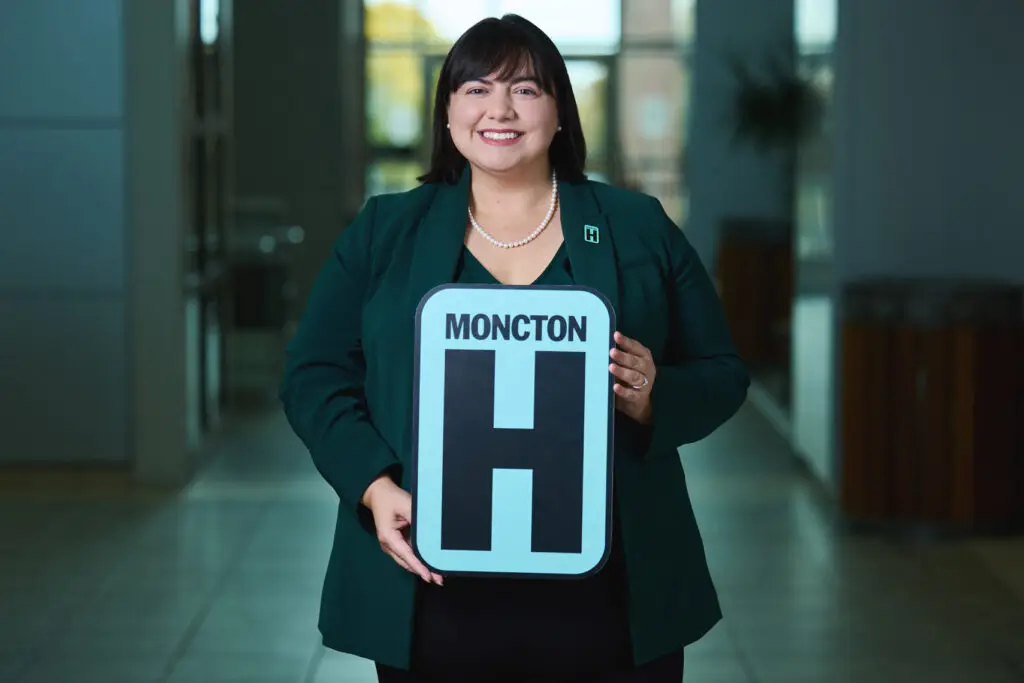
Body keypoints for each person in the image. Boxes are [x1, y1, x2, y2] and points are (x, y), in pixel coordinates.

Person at [279, 13, 749, 683]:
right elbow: (313, 373)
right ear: (447, 113)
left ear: (560, 111)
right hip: (435, 583)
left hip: (607, 589)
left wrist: (656, 396)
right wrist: (372, 484)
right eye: (475, 89)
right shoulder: (386, 231)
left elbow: (724, 373)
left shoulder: (636, 228)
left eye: (525, 89)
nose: (499, 108)